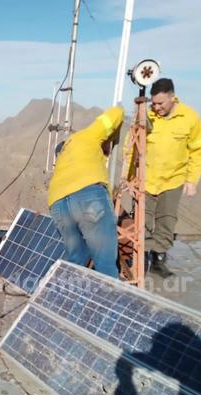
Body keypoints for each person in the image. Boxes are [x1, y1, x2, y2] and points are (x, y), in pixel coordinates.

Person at [48, 106, 124, 278]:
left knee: (76, 260)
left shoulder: (64, 156)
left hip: (57, 203)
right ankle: (108, 295)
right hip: (87, 194)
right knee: (105, 262)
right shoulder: (87, 135)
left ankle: (71, 294)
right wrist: (109, 135)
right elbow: (116, 113)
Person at [144, 78, 201, 277]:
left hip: (173, 180)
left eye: (160, 103)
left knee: (166, 221)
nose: (156, 107)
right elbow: (131, 147)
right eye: (153, 103)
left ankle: (158, 259)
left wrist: (192, 180)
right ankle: (141, 258)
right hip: (146, 179)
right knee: (142, 221)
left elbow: (198, 149)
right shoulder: (146, 116)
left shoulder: (190, 117)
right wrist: (128, 177)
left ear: (172, 97)